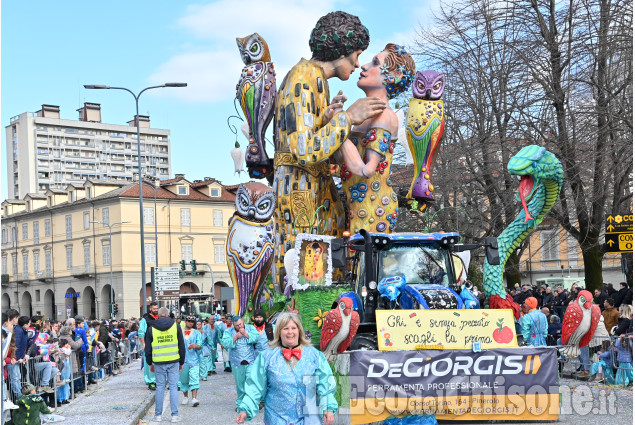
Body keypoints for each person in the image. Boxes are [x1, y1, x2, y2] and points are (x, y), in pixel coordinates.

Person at [271, 11, 385, 287]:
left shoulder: (315, 81)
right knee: (306, 277)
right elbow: (304, 149)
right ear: (340, 50)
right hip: (301, 194)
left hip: (315, 194)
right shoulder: (302, 78)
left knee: (320, 275)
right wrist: (349, 117)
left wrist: (328, 120)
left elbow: (311, 137)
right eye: (356, 55)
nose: (358, 64)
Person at [338, 43, 415, 234]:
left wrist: (339, 130)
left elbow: (366, 169)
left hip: (374, 210)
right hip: (354, 207)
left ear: (395, 75)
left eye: (374, 63)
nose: (363, 66)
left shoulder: (384, 116)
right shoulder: (361, 118)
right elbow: (341, 161)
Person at [236, 312, 338, 425]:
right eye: (285, 328)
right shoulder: (266, 357)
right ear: (279, 332)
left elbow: (325, 384)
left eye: (294, 328)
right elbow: (255, 386)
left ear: (299, 331)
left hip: (309, 418)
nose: (290, 332)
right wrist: (245, 409)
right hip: (277, 419)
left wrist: (328, 407)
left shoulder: (314, 355)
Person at [145, 307, 186, 423]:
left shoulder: (151, 328)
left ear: (158, 315)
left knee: (160, 387)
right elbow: (181, 346)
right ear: (168, 315)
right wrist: (181, 362)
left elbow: (148, 349)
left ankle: (158, 415)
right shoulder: (176, 326)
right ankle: (175, 415)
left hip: (158, 362)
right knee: (173, 387)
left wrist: (150, 363)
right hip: (173, 360)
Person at [222, 316, 259, 412]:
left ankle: (251, 404)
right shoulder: (228, 331)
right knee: (240, 384)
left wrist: (246, 334)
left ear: (243, 322)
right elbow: (225, 343)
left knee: (250, 383)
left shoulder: (250, 328)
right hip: (236, 361)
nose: (239, 326)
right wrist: (235, 337)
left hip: (250, 360)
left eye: (240, 324)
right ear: (233, 325)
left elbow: (256, 338)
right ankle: (241, 405)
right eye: (237, 325)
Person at [179, 316, 202, 407]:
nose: (190, 323)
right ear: (185, 321)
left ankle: (194, 398)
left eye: (192, 322)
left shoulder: (197, 333)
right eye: (189, 321)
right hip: (182, 360)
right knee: (183, 379)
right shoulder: (179, 332)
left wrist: (195, 346)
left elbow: (200, 345)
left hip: (194, 359)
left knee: (194, 378)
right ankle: (185, 397)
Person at [139, 302, 159, 390]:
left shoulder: (160, 318)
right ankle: (151, 381)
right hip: (149, 344)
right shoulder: (145, 319)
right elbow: (141, 332)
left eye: (157, 308)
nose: (156, 310)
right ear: (150, 308)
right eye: (154, 309)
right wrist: (143, 343)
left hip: (159, 344)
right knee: (149, 363)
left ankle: (158, 380)